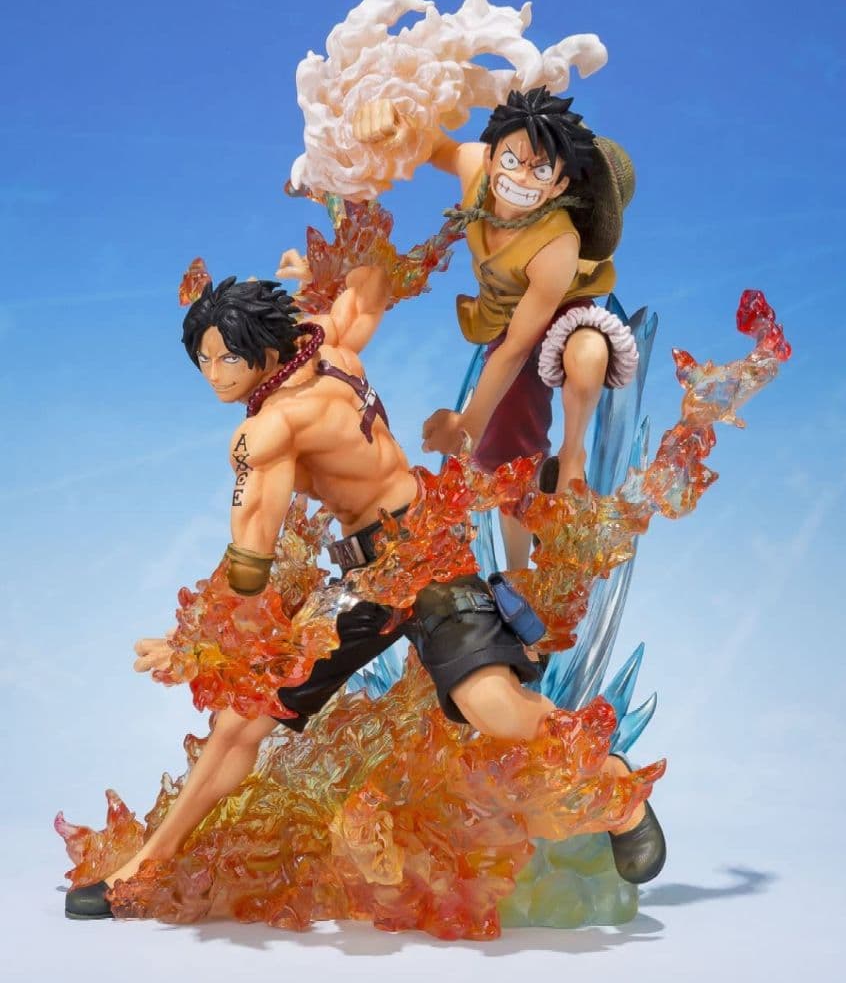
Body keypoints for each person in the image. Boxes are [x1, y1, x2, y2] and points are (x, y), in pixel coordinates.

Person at [65, 262, 663, 921]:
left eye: (227, 359)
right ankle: (147, 869)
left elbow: (249, 561)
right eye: (203, 361)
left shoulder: (266, 432)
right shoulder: (325, 340)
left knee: (493, 706)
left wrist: (196, 644)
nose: (214, 376)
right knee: (241, 718)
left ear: (265, 351)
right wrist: (332, 268)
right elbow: (371, 287)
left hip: (427, 555)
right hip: (365, 580)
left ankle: (617, 789)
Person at [353, 87, 639, 569]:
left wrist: (466, 425)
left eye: (540, 170)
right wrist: (392, 123)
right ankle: (517, 572)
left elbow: (518, 348)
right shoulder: (476, 173)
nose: (521, 177)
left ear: (558, 186)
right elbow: (435, 145)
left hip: (561, 308)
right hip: (505, 316)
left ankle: (572, 457)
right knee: (507, 455)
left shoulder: (557, 247)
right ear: (490, 158)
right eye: (511, 160)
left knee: (586, 356)